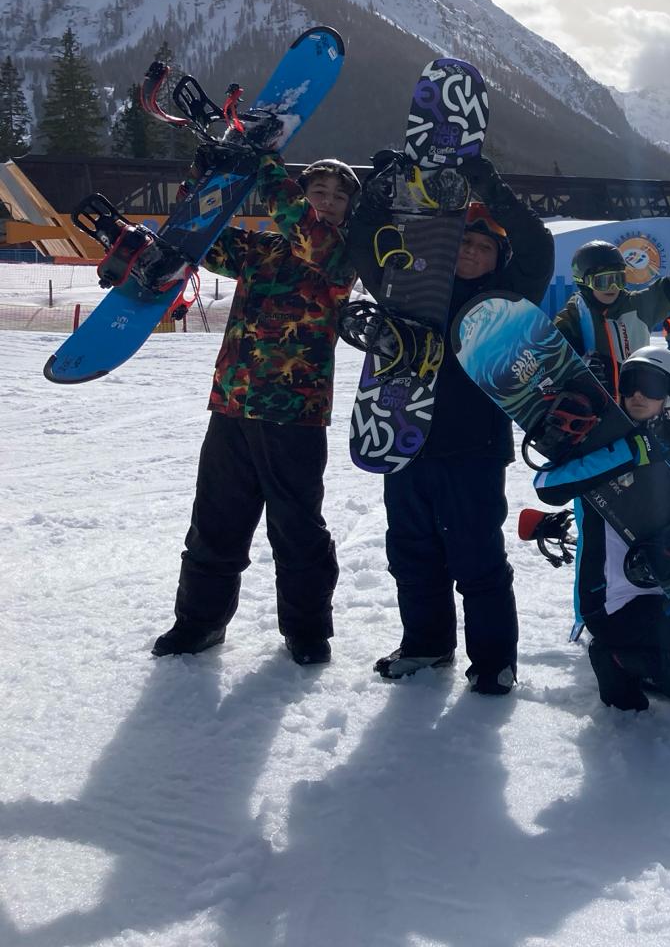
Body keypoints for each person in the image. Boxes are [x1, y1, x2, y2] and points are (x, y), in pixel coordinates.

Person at [347, 156, 555, 694]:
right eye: (463, 242)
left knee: (477, 556)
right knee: (411, 553)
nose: (470, 251)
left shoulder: (508, 299)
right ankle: (426, 644)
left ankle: (494, 661)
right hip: (404, 438)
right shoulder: (408, 286)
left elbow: (538, 246)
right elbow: (364, 241)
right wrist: (380, 191)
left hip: (474, 449)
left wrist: (490, 185)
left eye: (483, 247)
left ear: (497, 259)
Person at [152, 156, 359, 664]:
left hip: (295, 413)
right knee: (214, 523)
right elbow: (197, 240)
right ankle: (198, 624)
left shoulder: (340, 253)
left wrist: (267, 171)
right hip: (232, 405)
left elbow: (301, 226)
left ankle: (308, 632)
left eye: (337, 195)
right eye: (318, 190)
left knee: (296, 529)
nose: (325, 200)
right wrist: (203, 184)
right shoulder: (261, 247)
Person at [537, 346, 670, 711]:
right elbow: (547, 486)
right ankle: (613, 659)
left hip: (664, 592)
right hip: (611, 599)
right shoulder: (600, 446)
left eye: (649, 386)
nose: (636, 393)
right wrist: (630, 452)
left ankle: (642, 666)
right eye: (630, 383)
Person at [554, 200, 670, 394]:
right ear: (584, 283)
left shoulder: (637, 305)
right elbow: (554, 354)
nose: (613, 288)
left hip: (636, 401)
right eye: (604, 281)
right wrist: (579, 366)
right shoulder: (575, 314)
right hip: (594, 405)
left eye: (619, 280)